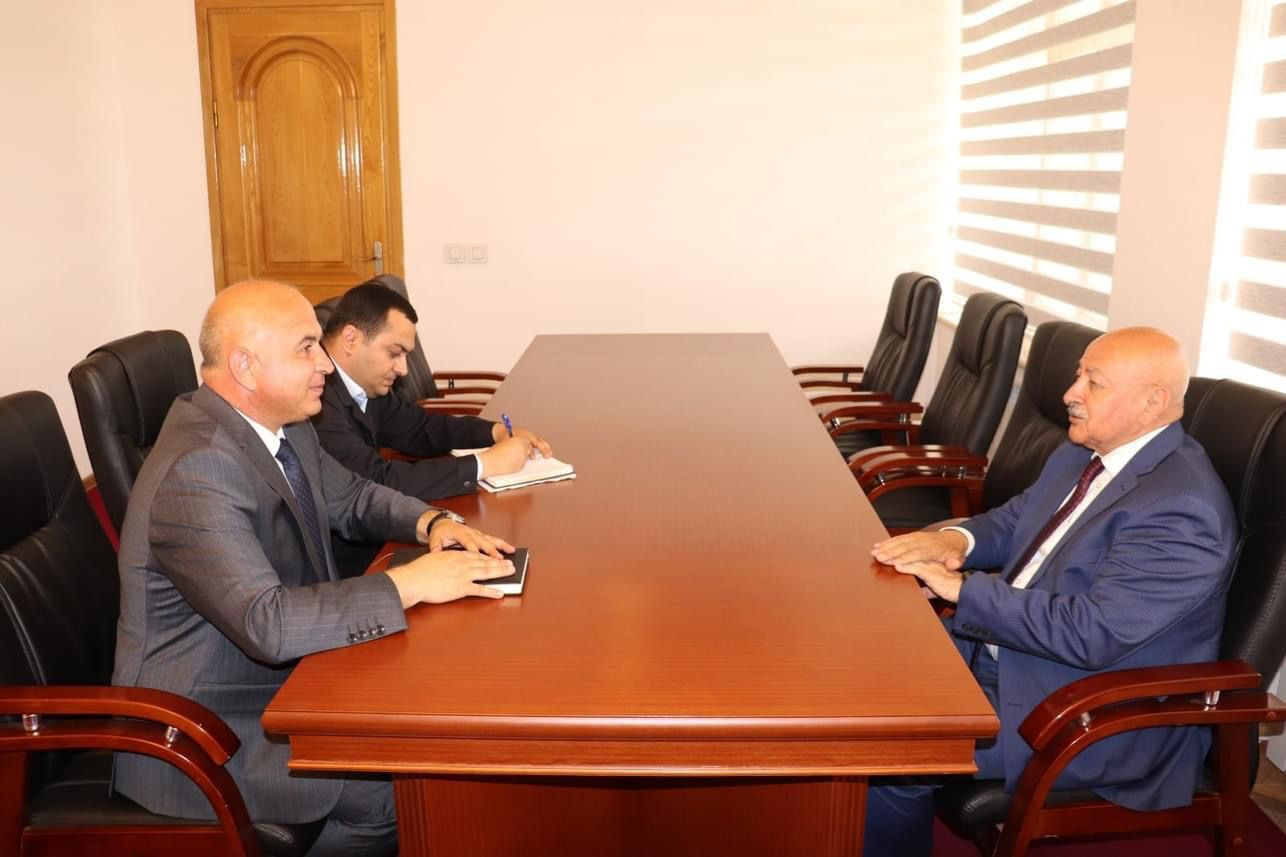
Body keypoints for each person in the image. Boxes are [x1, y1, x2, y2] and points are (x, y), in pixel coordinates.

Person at [112, 280, 517, 857]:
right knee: (401, 795)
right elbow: (268, 624)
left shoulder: (285, 426)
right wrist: (408, 583)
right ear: (246, 367)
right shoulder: (198, 469)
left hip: (281, 685)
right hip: (207, 730)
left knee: (432, 719)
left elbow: (353, 496)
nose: (325, 364)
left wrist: (430, 523)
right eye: (306, 348)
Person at [863, 327, 1237, 857]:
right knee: (857, 669)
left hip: (1083, 709)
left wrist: (963, 590)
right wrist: (952, 540)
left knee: (888, 754)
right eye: (1078, 375)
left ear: (1154, 402)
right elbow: (1017, 518)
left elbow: (1093, 633)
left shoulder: (1181, 508)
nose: (1070, 393)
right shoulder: (1084, 452)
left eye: (1094, 382)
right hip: (1009, 652)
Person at [312, 282, 551, 574]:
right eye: (394, 353)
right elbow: (375, 481)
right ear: (351, 339)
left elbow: (420, 428)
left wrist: (494, 432)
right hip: (356, 564)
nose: (403, 369)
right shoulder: (317, 397)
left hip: (387, 533)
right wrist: (483, 465)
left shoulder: (364, 383)